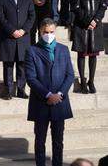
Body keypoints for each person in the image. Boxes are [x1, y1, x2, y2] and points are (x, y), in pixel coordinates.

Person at [25, 18, 75, 166]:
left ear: (56, 31)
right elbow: (31, 78)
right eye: (45, 32)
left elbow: (70, 75)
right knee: (40, 141)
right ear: (40, 32)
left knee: (58, 141)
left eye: (51, 32)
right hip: (41, 103)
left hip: (60, 103)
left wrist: (59, 94)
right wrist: (48, 95)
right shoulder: (31, 51)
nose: (49, 35)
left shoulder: (63, 49)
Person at [0, 0, 35, 100]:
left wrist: (24, 30)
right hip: (8, 37)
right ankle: (8, 90)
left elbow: (32, 16)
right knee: (8, 65)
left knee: (22, 64)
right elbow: (0, 16)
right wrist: (11, 30)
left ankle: (21, 89)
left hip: (23, 37)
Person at [70, 0, 107, 94]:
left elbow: (103, 6)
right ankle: (82, 81)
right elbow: (76, 7)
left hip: (96, 25)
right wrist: (87, 21)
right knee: (81, 53)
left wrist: (96, 20)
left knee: (93, 54)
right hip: (81, 25)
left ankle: (91, 81)